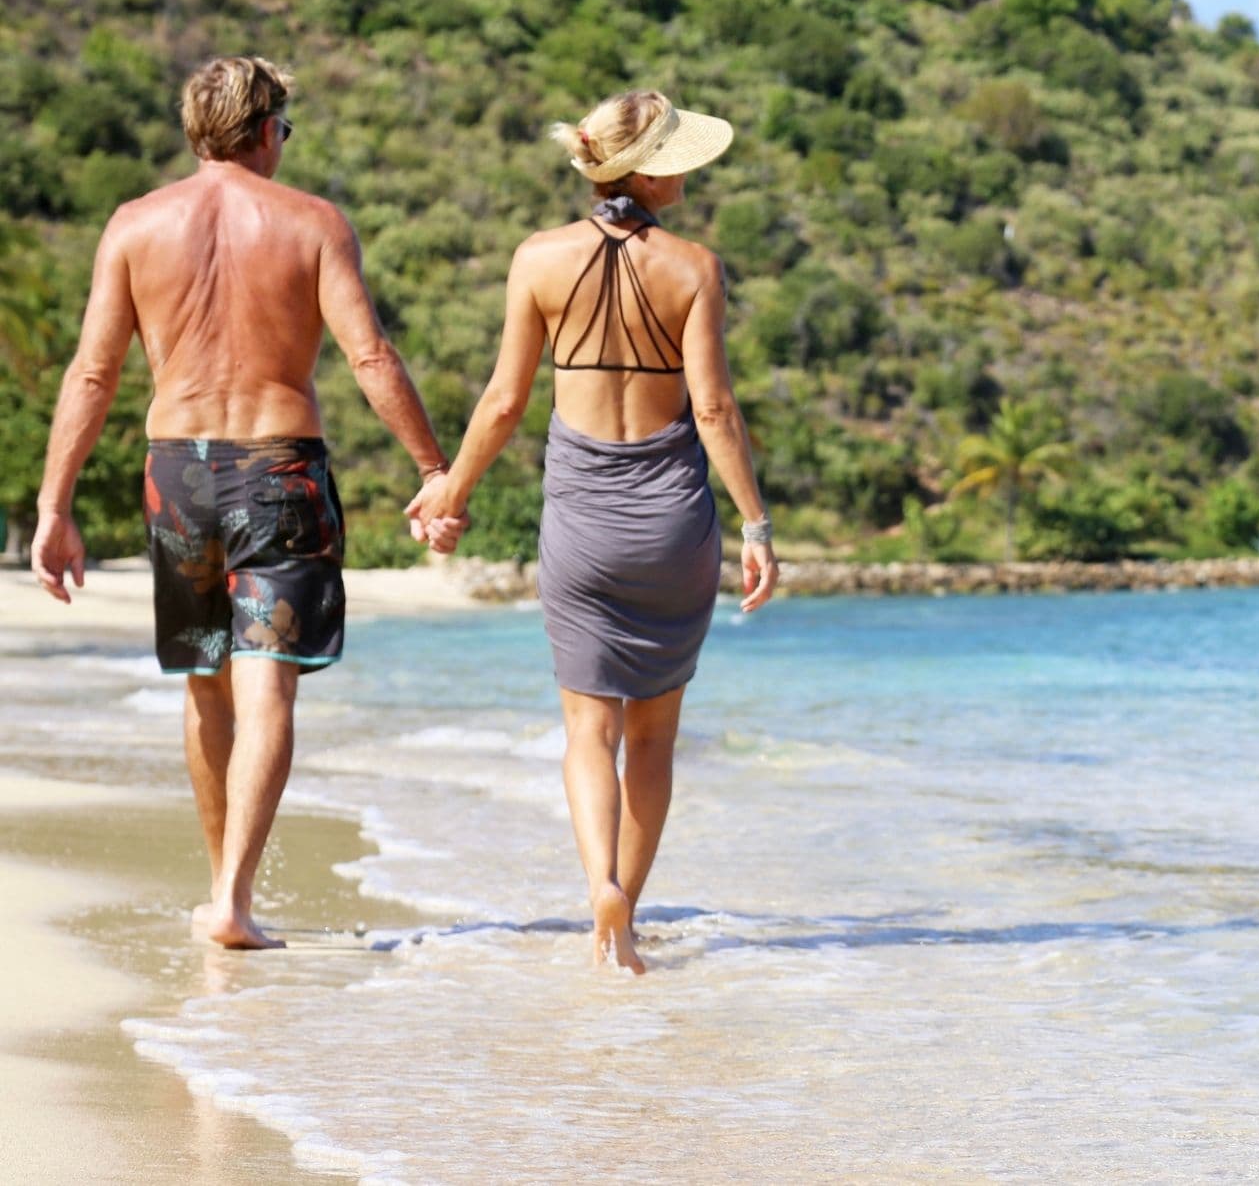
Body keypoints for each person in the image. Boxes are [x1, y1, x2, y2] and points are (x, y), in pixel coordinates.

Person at [31, 56, 460, 949]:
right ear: (266, 130)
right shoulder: (311, 223)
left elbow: (94, 371)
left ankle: (220, 888)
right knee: (267, 689)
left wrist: (54, 505)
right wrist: (431, 468)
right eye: (285, 130)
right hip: (279, 471)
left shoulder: (134, 225)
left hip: (178, 474)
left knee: (206, 680)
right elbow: (370, 356)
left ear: (198, 132)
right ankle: (233, 896)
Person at [409, 89, 777, 974]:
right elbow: (716, 409)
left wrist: (449, 492)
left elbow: (503, 402)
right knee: (653, 736)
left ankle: (597, 887)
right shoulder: (694, 268)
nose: (690, 169)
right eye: (678, 155)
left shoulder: (538, 260)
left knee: (588, 731)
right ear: (645, 171)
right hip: (671, 520)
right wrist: (757, 525)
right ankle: (630, 913)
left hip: (580, 518)